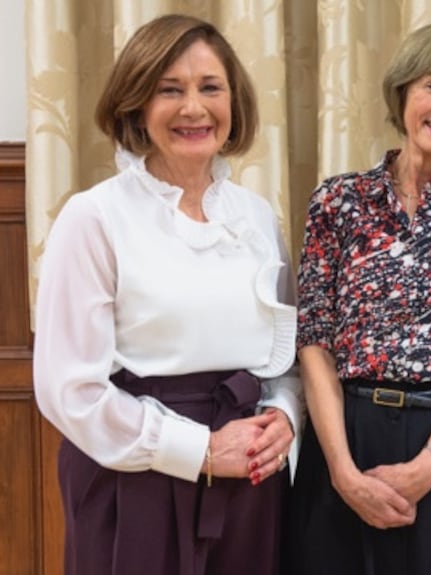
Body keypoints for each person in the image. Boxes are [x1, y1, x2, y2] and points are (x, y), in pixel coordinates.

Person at [33, 13, 302, 575]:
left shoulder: (256, 217)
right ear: (135, 103)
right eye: (169, 90)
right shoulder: (94, 217)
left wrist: (283, 419)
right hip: (132, 483)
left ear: (235, 101)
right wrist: (200, 452)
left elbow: (283, 358)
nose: (194, 109)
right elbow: (70, 391)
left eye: (211, 88)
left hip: (247, 479)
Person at [285, 21, 431, 575]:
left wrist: (429, 465)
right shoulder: (338, 201)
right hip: (345, 434)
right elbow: (315, 341)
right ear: (403, 93)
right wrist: (343, 470)